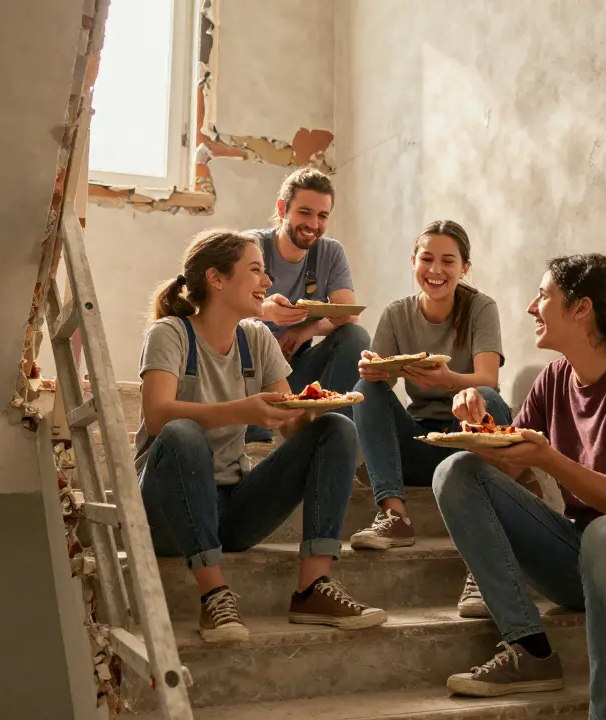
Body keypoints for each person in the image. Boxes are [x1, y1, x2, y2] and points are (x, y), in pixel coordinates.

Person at [432, 254, 606, 720]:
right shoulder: (554, 379)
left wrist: (550, 460)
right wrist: (476, 427)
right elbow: (506, 469)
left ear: (581, 309)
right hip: (578, 557)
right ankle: (530, 649)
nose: (531, 306)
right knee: (455, 471)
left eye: (543, 296)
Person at [134, 228, 387, 644]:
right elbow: (158, 416)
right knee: (183, 432)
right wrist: (242, 410)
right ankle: (214, 595)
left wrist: (316, 420)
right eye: (255, 270)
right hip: (165, 513)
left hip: (234, 509)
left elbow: (288, 422)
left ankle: (312, 589)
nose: (267, 281)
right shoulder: (170, 333)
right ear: (216, 278)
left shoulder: (256, 337)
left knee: (338, 428)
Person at [347, 220, 511, 618]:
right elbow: (381, 379)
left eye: (448, 261)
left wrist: (448, 379)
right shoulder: (397, 313)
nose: (435, 270)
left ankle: (484, 559)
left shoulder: (481, 308)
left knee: (489, 398)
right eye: (427, 258)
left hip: (465, 443)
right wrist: (373, 370)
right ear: (413, 262)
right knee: (363, 388)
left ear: (465, 267)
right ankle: (394, 515)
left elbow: (488, 378)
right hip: (420, 445)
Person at [247, 167, 370, 443]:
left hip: (295, 369)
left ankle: (337, 436)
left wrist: (306, 330)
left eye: (322, 215)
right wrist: (265, 311)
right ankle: (257, 428)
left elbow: (347, 315)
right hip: (249, 374)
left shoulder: (330, 253)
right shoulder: (250, 246)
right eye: (305, 212)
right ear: (282, 209)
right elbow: (220, 309)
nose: (313, 224)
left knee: (355, 336)